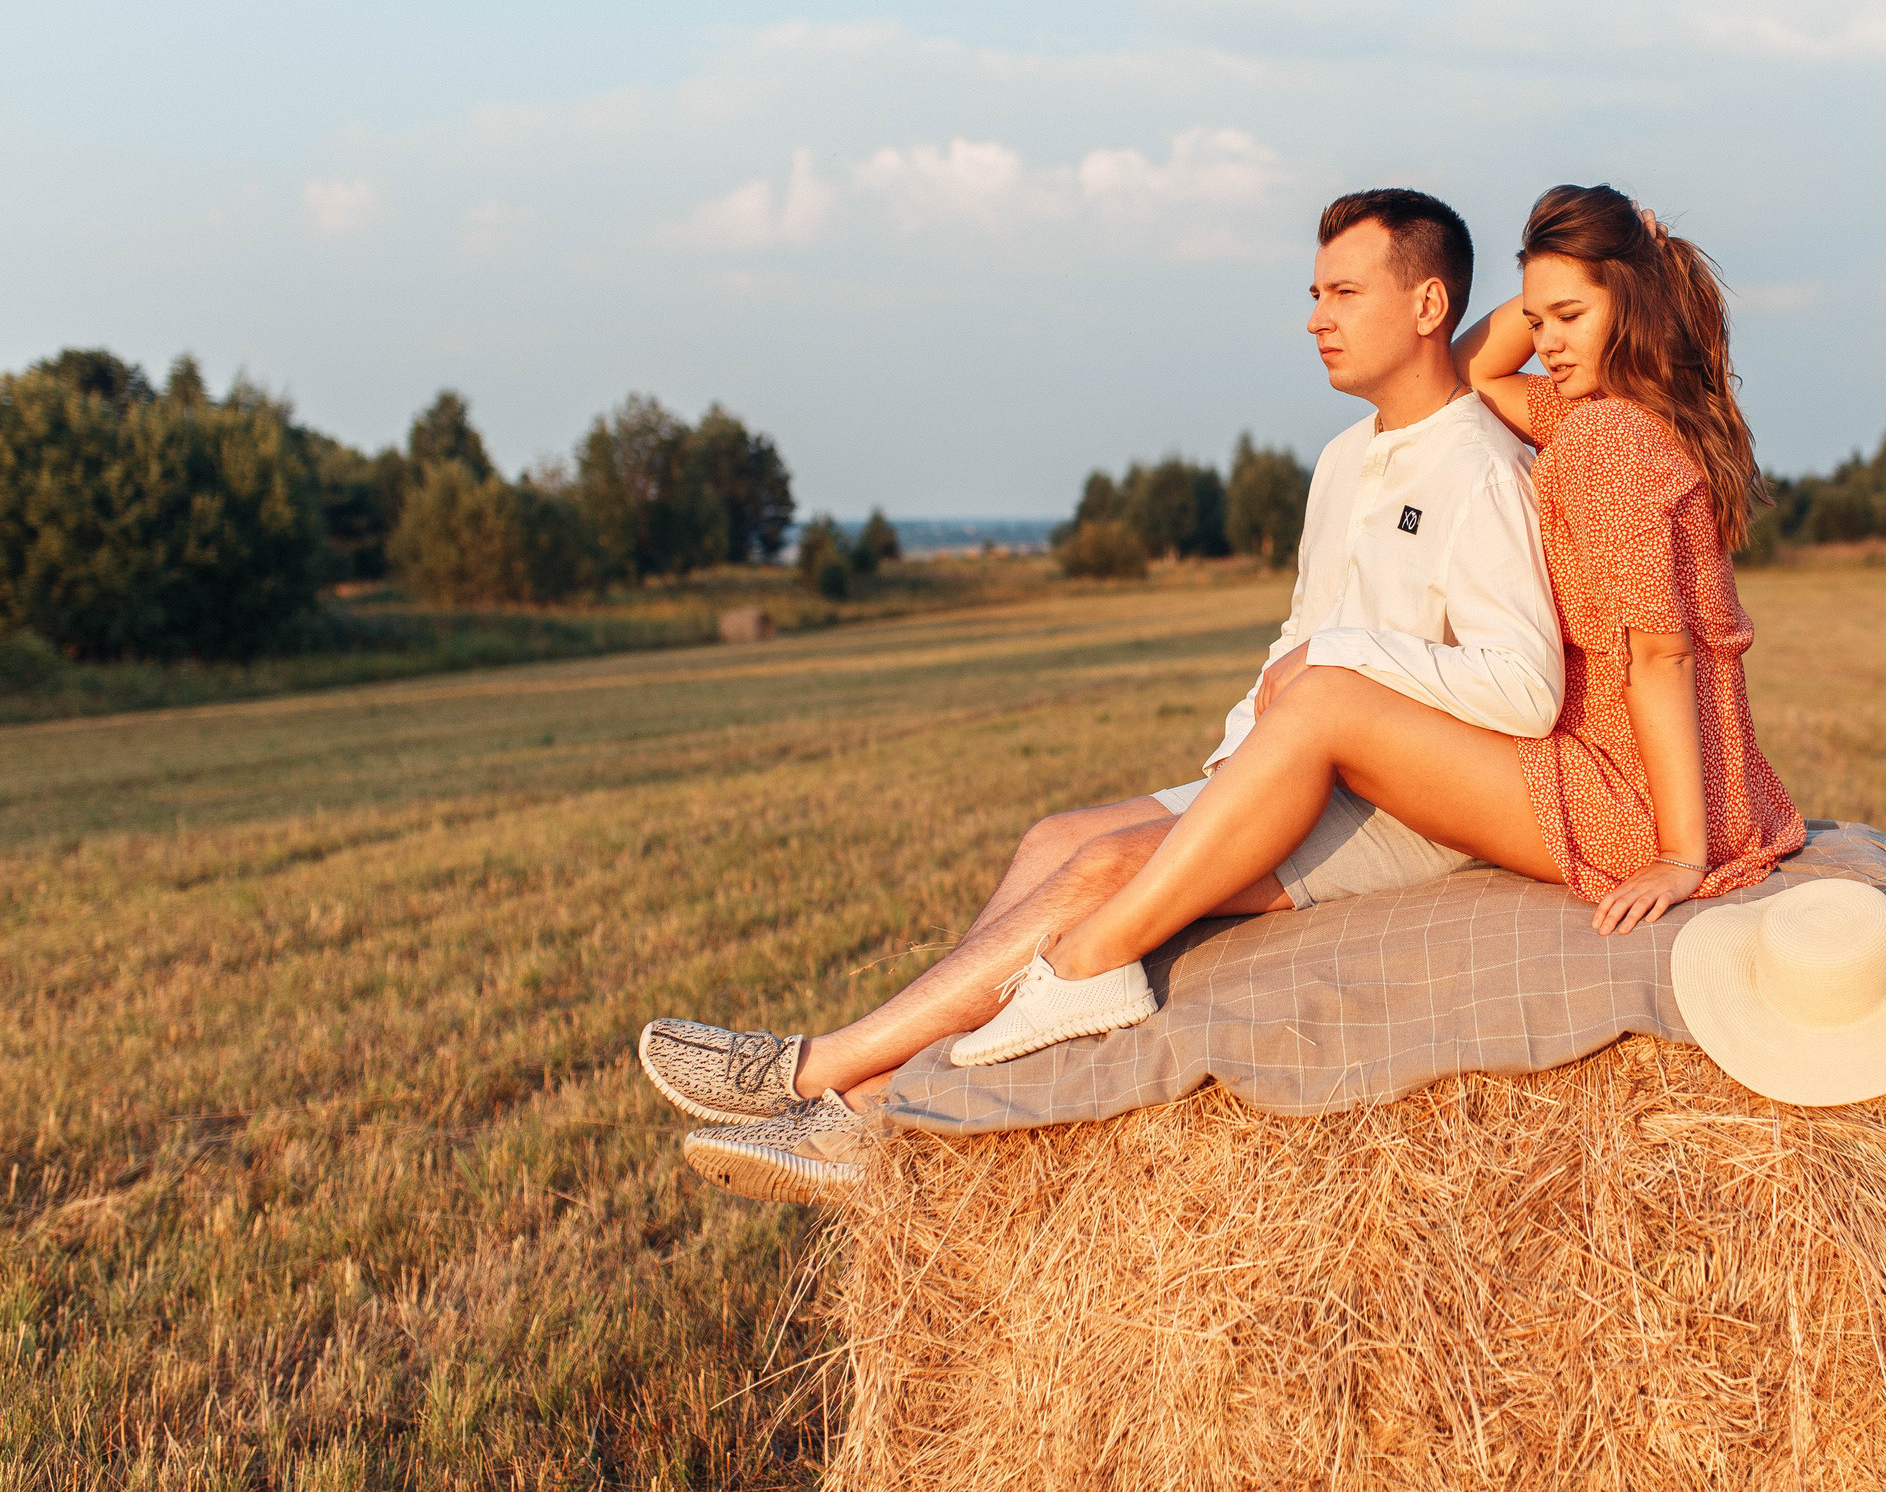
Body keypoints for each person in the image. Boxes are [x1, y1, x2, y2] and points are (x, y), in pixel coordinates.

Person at [640, 188, 1568, 1197]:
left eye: (1343, 292)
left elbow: (1524, 688)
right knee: (1052, 842)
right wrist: (1233, 765)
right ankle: (882, 1109)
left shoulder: (1480, 467)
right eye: (1313, 293)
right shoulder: (1344, 462)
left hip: (1406, 806)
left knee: (1105, 874)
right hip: (1290, 774)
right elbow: (1299, 639)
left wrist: (1343, 664)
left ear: (1429, 306)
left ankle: (824, 1076)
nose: (1315, 318)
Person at [938, 183, 1805, 1071]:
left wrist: (1678, 853)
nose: (1542, 340)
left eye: (1567, 315)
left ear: (1630, 303)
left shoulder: (1604, 442)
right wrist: (1607, 274)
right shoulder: (1586, 415)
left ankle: (1082, 965)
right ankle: (944, 1043)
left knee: (1316, 708)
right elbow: (1474, 368)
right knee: (1074, 836)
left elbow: (1659, 656)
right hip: (1679, 778)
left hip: (1631, 800)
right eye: (1535, 317)